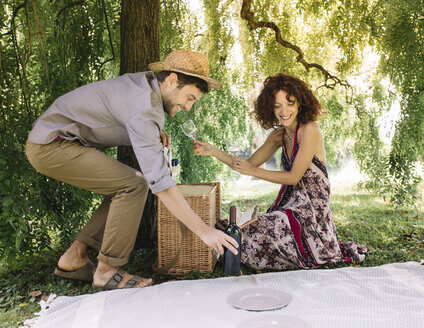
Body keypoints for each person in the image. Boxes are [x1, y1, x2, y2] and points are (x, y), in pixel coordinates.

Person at [25, 50, 238, 289]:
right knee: (134, 185)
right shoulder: (145, 107)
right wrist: (204, 231)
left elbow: (126, 117)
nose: (188, 107)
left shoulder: (145, 86)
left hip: (53, 140)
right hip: (50, 145)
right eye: (189, 98)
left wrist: (152, 132)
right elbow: (161, 184)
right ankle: (106, 270)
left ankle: (75, 255)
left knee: (126, 184)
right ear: (171, 80)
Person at [193, 73, 366, 270]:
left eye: (289, 103)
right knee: (243, 228)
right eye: (277, 105)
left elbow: (293, 178)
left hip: (312, 213)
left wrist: (253, 171)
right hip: (290, 207)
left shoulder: (310, 129)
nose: (284, 111)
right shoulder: (279, 136)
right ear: (270, 107)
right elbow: (247, 164)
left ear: (300, 102)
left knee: (264, 230)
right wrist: (212, 151)